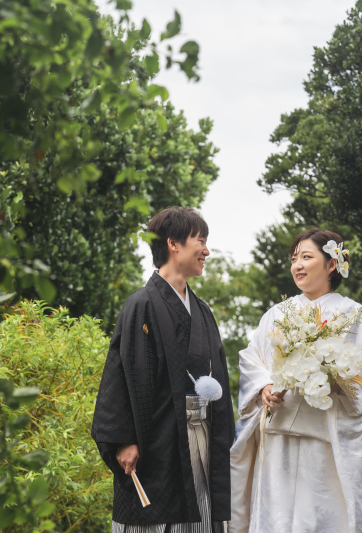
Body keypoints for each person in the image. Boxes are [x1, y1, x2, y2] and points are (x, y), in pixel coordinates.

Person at [230, 228, 362, 533]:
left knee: (324, 518)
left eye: (307, 257)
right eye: (294, 259)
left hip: (327, 441)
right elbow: (253, 358)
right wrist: (264, 386)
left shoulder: (355, 315)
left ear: (332, 264)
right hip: (280, 437)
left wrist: (338, 382)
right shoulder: (278, 314)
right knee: (277, 519)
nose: (297, 265)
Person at [92, 207, 234, 533]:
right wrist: (123, 440)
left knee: (200, 513)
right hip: (156, 439)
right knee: (155, 517)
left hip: (200, 436)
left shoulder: (202, 311)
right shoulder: (141, 304)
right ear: (174, 243)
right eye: (201, 241)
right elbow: (121, 375)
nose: (207, 251)